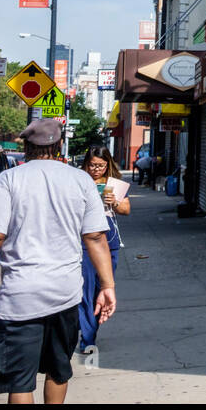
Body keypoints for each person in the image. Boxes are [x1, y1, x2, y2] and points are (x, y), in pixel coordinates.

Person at [0, 118, 116, 404]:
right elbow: (95, 238)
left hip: (20, 299)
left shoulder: (9, 180)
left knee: (19, 380)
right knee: (58, 371)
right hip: (65, 294)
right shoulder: (80, 180)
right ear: (58, 146)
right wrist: (108, 286)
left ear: (27, 145)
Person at [77, 146, 129, 353]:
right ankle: (87, 338)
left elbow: (126, 209)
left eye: (100, 165)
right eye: (92, 165)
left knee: (102, 288)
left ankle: (91, 330)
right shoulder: (79, 181)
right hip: (85, 240)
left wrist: (114, 202)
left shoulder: (114, 184)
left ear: (108, 164)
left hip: (109, 241)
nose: (96, 169)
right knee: (85, 291)